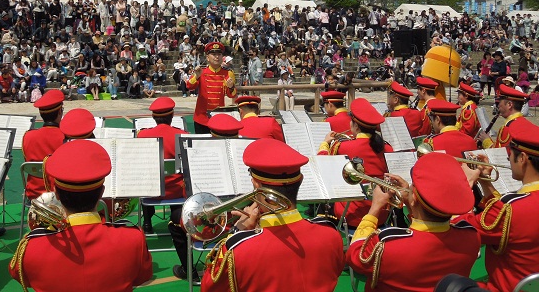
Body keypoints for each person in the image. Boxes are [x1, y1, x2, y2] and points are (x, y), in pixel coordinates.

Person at [201, 138, 344, 291]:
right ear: (300, 180)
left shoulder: (238, 250)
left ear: (256, 185)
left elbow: (208, 288)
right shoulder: (331, 235)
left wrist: (236, 232)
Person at [9, 140, 153, 291]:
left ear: (56, 193)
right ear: (102, 192)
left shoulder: (31, 247)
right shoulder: (133, 239)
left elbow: (19, 275)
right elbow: (142, 276)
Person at [347, 153, 480, 291]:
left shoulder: (388, 245)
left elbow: (356, 255)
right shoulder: (470, 237)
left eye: (413, 185)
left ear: (414, 197)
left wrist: (375, 207)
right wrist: (411, 202)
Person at [457, 122, 539, 292]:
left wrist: (465, 185)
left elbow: (460, 228)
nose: (508, 158)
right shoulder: (510, 207)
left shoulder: (510, 209)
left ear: (522, 159)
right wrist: (486, 183)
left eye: (510, 153)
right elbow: (502, 213)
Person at [136, 98, 191, 279]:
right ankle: (177, 219)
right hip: (176, 192)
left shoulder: (143, 135)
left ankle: (147, 223)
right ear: (172, 116)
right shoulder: (181, 134)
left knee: (146, 179)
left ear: (153, 117)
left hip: (151, 191)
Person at [318, 97, 394, 227]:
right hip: (380, 215)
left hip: (351, 215)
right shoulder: (387, 147)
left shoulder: (342, 147)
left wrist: (325, 143)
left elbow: (323, 164)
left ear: (356, 126)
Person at [21, 90, 65, 201]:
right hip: (60, 196)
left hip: (34, 195)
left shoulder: (28, 136)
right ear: (60, 111)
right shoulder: (65, 137)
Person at [186, 42, 237, 134]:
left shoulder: (228, 73)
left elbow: (231, 95)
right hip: (201, 117)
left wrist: (231, 87)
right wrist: (196, 76)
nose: (217, 57)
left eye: (219, 54)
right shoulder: (201, 71)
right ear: (207, 58)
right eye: (213, 54)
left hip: (218, 116)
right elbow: (189, 87)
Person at [479, 84, 531, 149]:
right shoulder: (525, 123)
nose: (498, 106)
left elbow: (501, 155)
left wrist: (486, 141)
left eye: (500, 102)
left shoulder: (508, 129)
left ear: (509, 104)